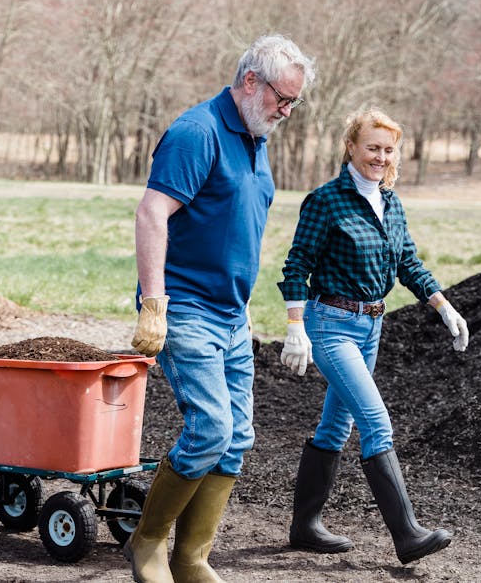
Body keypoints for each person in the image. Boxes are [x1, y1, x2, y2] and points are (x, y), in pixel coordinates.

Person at [127, 34, 316, 583]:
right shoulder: (198, 132)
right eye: (284, 98)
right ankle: (147, 543)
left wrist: (246, 308)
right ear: (250, 81)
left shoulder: (257, 136)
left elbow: (235, 231)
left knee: (238, 437)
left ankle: (191, 558)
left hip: (232, 315)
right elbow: (151, 215)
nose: (287, 111)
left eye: (294, 103)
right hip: (184, 308)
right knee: (211, 428)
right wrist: (154, 303)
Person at [276, 108, 469, 564]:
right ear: (351, 147)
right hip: (331, 325)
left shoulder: (392, 201)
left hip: (372, 327)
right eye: (372, 148)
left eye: (388, 149)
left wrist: (444, 307)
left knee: (336, 424)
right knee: (374, 421)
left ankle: (304, 526)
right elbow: (296, 265)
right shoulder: (326, 200)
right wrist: (294, 327)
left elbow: (407, 263)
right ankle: (407, 534)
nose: (380, 157)